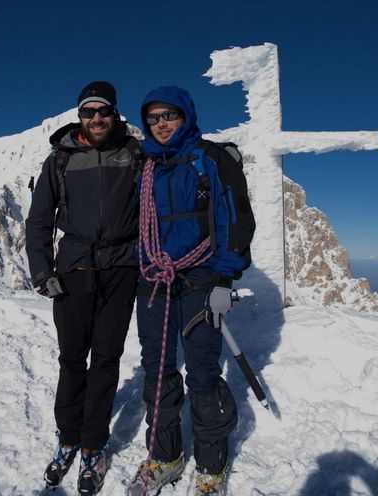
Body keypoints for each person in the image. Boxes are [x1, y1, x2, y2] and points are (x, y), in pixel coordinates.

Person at [127, 86, 255, 496]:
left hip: (200, 280)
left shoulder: (213, 158)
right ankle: (166, 456)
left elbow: (236, 220)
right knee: (158, 371)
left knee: (201, 372)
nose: (161, 123)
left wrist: (224, 279)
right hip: (153, 281)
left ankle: (211, 464)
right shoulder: (144, 166)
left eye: (170, 115)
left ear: (186, 115)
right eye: (153, 117)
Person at [25, 81, 140, 496]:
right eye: (89, 112)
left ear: (114, 114)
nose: (96, 119)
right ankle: (68, 437)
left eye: (103, 111)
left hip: (121, 270)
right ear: (79, 117)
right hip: (72, 269)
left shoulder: (134, 154)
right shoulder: (59, 159)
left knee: (106, 360)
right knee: (72, 360)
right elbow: (39, 220)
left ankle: (93, 445)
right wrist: (41, 271)